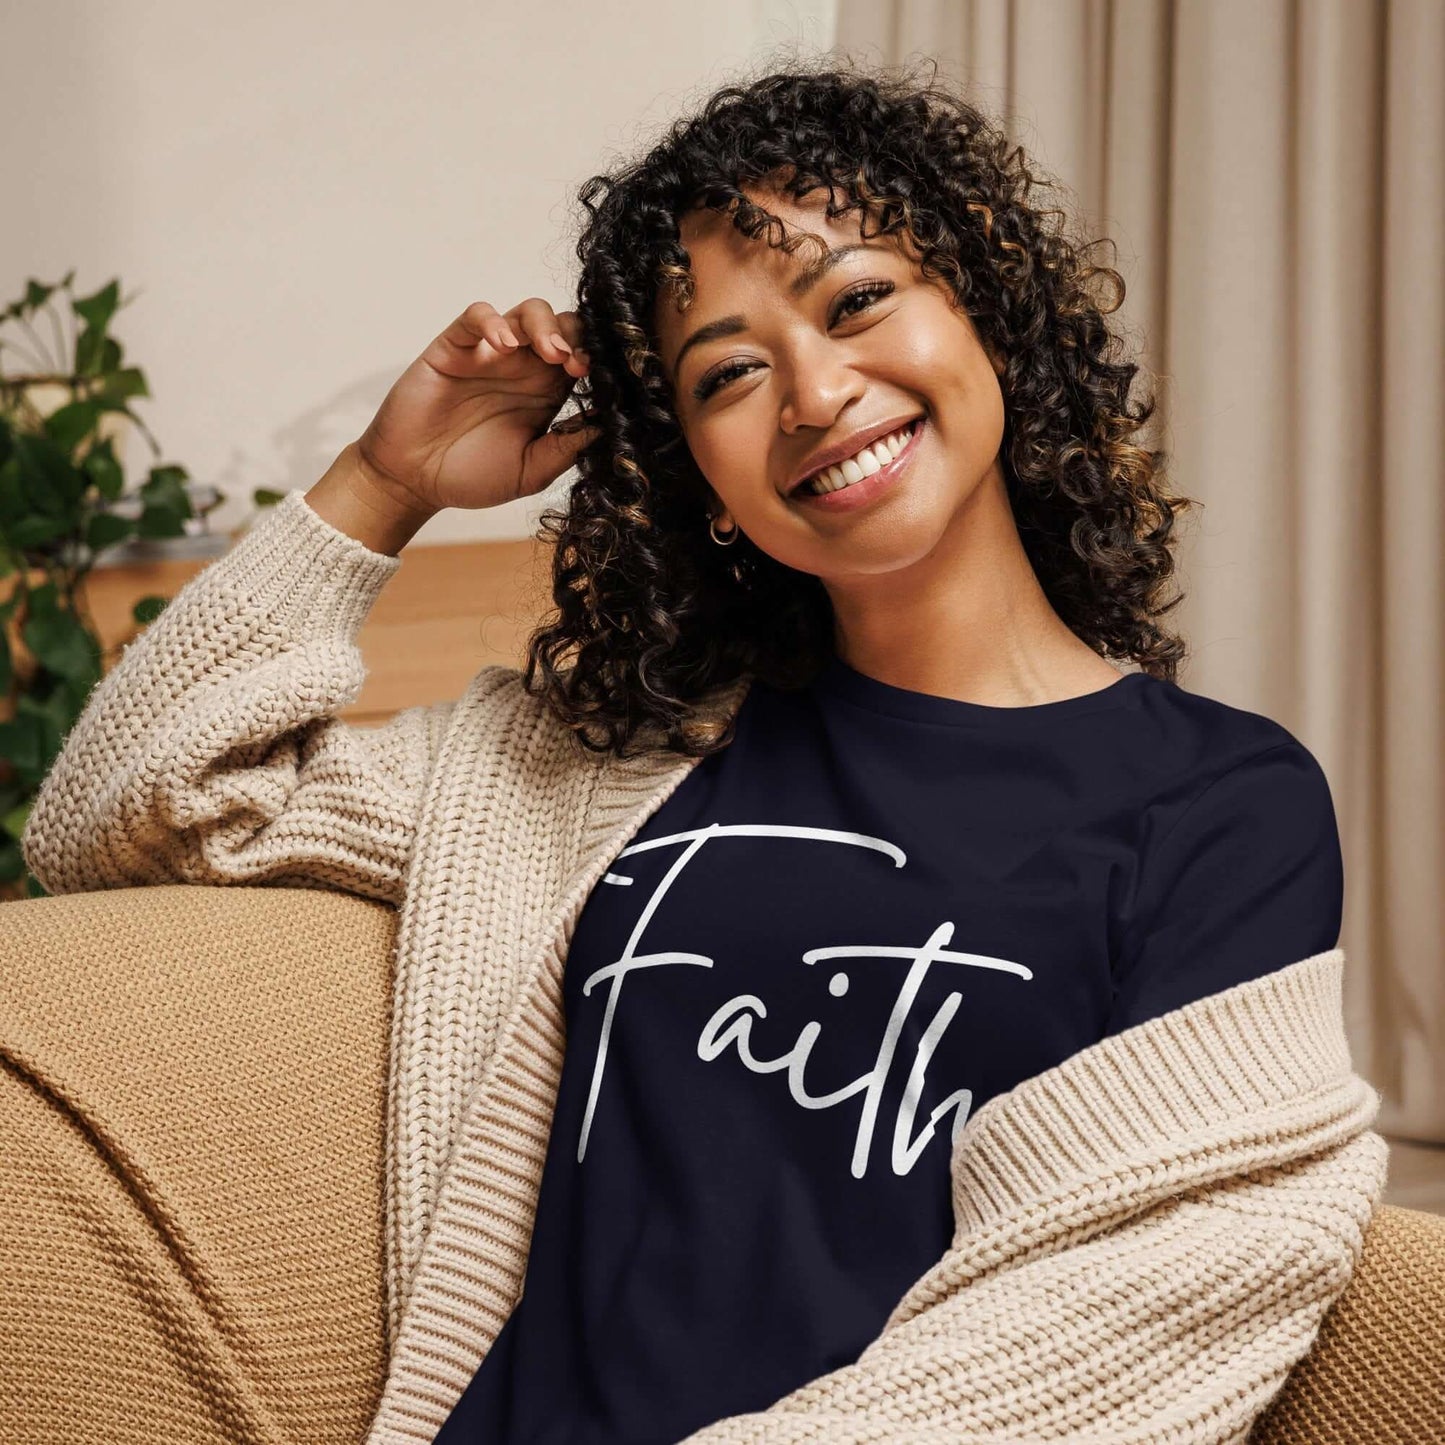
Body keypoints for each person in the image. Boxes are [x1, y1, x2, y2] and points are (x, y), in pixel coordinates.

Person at [19, 59, 1367, 1445]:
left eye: (857, 301)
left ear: (987, 314)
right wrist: (382, 485)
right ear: (702, 479)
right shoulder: (599, 766)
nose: (814, 392)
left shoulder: (1219, 803)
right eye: (729, 372)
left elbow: (1143, 1298)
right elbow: (123, 814)